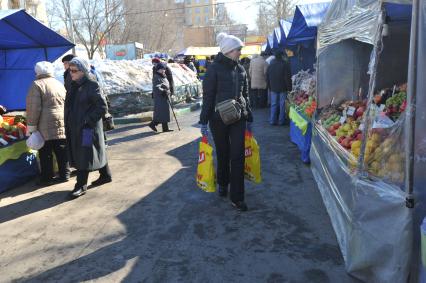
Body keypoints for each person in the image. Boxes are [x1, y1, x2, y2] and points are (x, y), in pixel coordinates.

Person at [199, 32, 253, 212]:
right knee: (223, 153)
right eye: (238, 49)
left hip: (238, 118)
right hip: (218, 120)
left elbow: (246, 95)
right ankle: (223, 183)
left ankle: (237, 198)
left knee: (237, 156)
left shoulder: (241, 70)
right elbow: (208, 96)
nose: (240, 52)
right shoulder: (214, 69)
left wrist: (249, 115)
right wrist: (203, 121)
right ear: (229, 50)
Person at [65, 57, 112, 198]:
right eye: (70, 70)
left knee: (84, 154)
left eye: (74, 70)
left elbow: (102, 107)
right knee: (93, 151)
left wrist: (87, 121)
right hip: (75, 126)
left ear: (83, 71)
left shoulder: (92, 85)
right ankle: (105, 175)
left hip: (87, 128)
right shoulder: (74, 85)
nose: (71, 73)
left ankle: (81, 185)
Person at [26, 61, 70, 185]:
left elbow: (34, 108)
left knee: (45, 152)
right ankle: (65, 174)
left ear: (37, 72)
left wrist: (31, 127)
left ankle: (47, 178)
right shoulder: (58, 83)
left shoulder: (36, 85)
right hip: (61, 121)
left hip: (44, 124)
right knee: (61, 150)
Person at [266, 50, 292, 126]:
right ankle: (281, 121)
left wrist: (269, 86)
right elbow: (287, 77)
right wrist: (289, 88)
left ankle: (272, 120)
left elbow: (267, 77)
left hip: (273, 87)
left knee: (273, 104)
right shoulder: (285, 64)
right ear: (282, 56)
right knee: (282, 104)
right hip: (283, 87)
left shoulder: (271, 65)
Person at [148, 62, 173, 133]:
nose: (163, 70)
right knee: (161, 112)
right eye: (161, 69)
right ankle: (153, 124)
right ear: (158, 70)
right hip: (160, 97)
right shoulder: (156, 77)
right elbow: (157, 87)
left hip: (165, 96)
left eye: (164, 69)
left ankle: (165, 128)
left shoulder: (163, 75)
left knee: (165, 112)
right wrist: (163, 91)